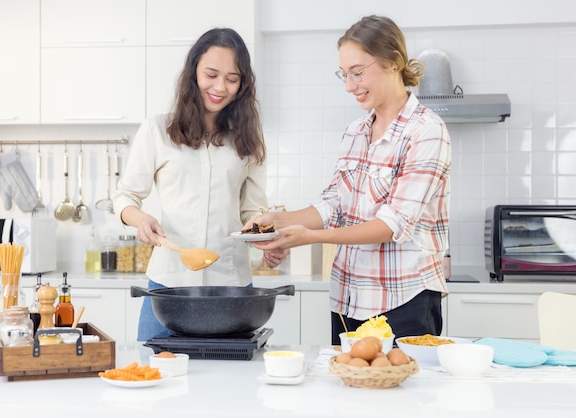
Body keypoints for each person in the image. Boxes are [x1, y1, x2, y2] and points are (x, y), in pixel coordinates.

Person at [250, 15, 451, 345]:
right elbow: (334, 205)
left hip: (404, 300)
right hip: (348, 299)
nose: (349, 85)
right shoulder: (356, 132)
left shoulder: (426, 131)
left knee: (401, 394)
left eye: (357, 73)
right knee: (348, 392)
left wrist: (310, 237)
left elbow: (393, 224)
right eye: (344, 75)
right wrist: (277, 222)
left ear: (393, 62)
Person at [113, 28, 288, 341]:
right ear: (193, 71)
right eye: (211, 74)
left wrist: (266, 242)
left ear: (243, 84)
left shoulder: (248, 139)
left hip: (232, 288)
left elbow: (253, 211)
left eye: (232, 78)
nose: (220, 87)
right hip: (168, 288)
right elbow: (125, 196)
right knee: (156, 376)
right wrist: (140, 220)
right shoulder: (157, 130)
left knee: (228, 385)